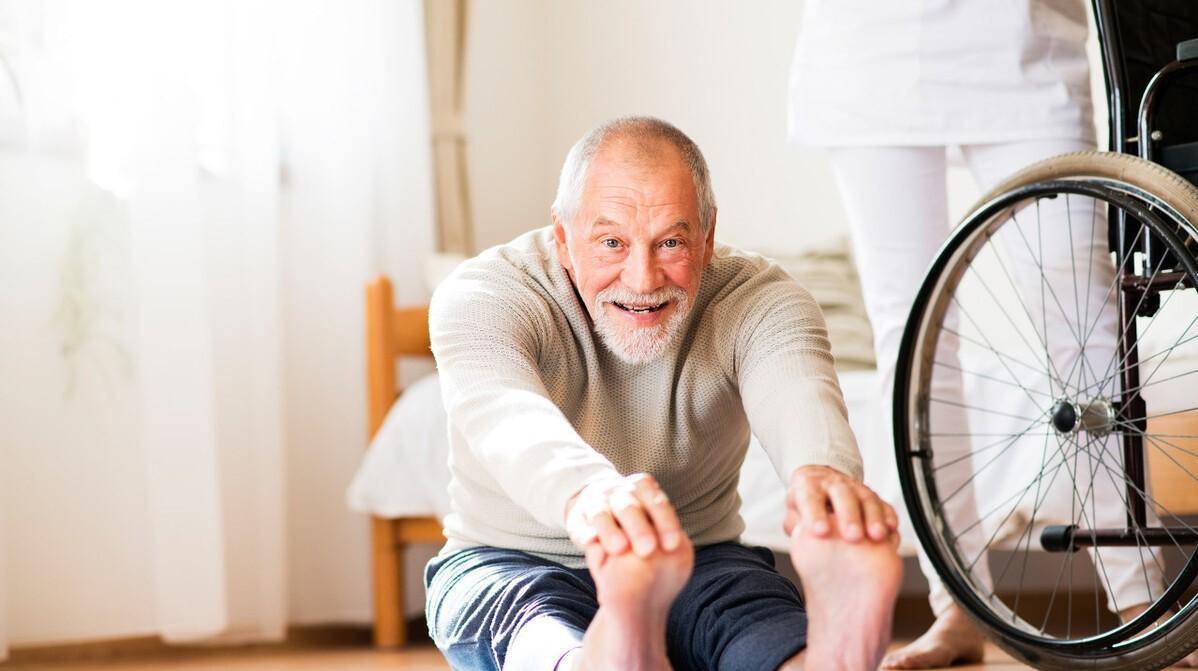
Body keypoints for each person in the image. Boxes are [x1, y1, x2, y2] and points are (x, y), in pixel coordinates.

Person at [424, 116, 902, 671]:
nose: (643, 278)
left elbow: (797, 389)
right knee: (531, 626)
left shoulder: (761, 298)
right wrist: (591, 497)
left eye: (670, 242)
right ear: (562, 236)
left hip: (699, 557)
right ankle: (607, 647)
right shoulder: (485, 293)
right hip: (509, 559)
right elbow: (506, 416)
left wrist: (822, 480)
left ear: (708, 236)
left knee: (748, 616)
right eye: (611, 243)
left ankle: (826, 660)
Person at [789, 1, 1185, 668]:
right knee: (912, 341)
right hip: (867, 53)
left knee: (1086, 331)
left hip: (1022, 42)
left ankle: (1144, 605)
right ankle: (957, 607)